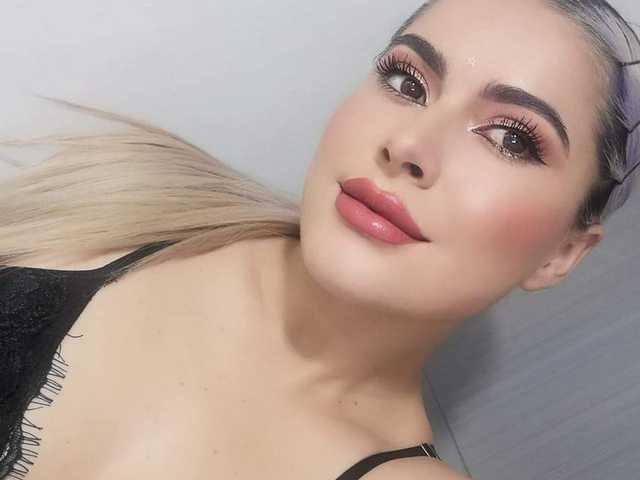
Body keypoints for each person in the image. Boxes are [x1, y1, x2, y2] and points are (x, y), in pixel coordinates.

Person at [1, 0, 639, 478]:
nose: (408, 144)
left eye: (510, 138)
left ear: (562, 253)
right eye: (407, 81)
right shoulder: (128, 192)